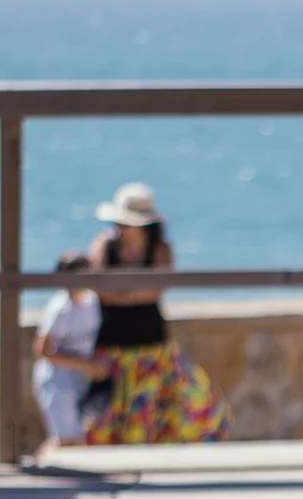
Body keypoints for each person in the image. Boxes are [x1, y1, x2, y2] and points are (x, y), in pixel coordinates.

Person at [79, 182, 223, 444]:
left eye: (126, 223)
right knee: (106, 416)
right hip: (112, 346)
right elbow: (100, 288)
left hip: (151, 346)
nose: (121, 227)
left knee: (157, 411)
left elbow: (156, 290)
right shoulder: (104, 244)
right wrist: (135, 293)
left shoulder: (159, 247)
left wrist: (120, 293)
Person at [30, 250, 101, 443]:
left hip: (80, 378)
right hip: (57, 381)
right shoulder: (60, 309)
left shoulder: (92, 301)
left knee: (78, 437)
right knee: (66, 440)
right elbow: (42, 350)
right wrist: (85, 365)